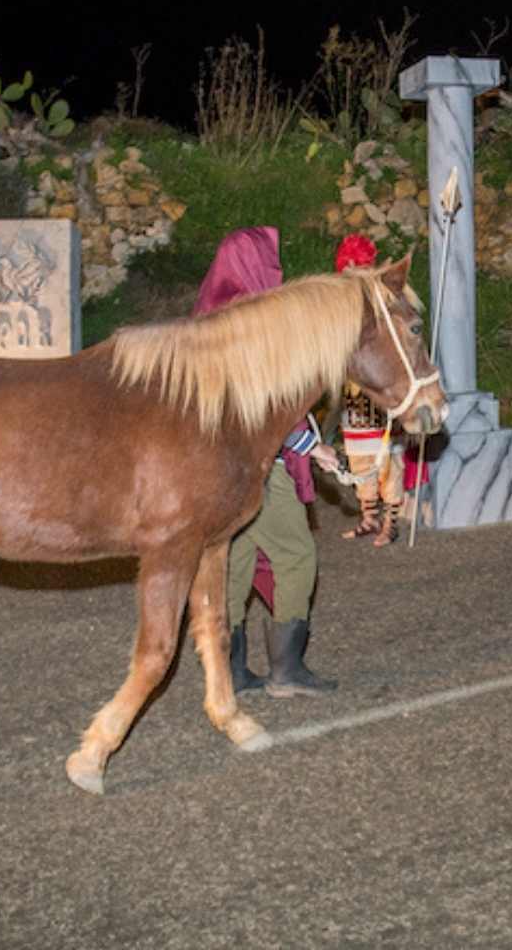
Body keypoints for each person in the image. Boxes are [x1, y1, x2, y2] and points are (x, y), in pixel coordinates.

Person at [193, 226, 340, 698]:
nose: (277, 276)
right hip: (258, 464)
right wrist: (310, 446)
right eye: (270, 266)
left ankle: (233, 672)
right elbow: (267, 405)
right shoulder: (250, 326)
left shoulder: (206, 323)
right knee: (296, 556)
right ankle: (287, 670)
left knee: (235, 560)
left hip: (216, 471)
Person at [331, 233, 427, 546]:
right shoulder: (341, 304)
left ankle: (391, 523)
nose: (351, 273)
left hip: (382, 396)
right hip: (355, 401)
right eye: (347, 267)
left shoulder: (383, 299)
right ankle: (369, 517)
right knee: (360, 462)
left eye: (356, 266)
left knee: (390, 465)